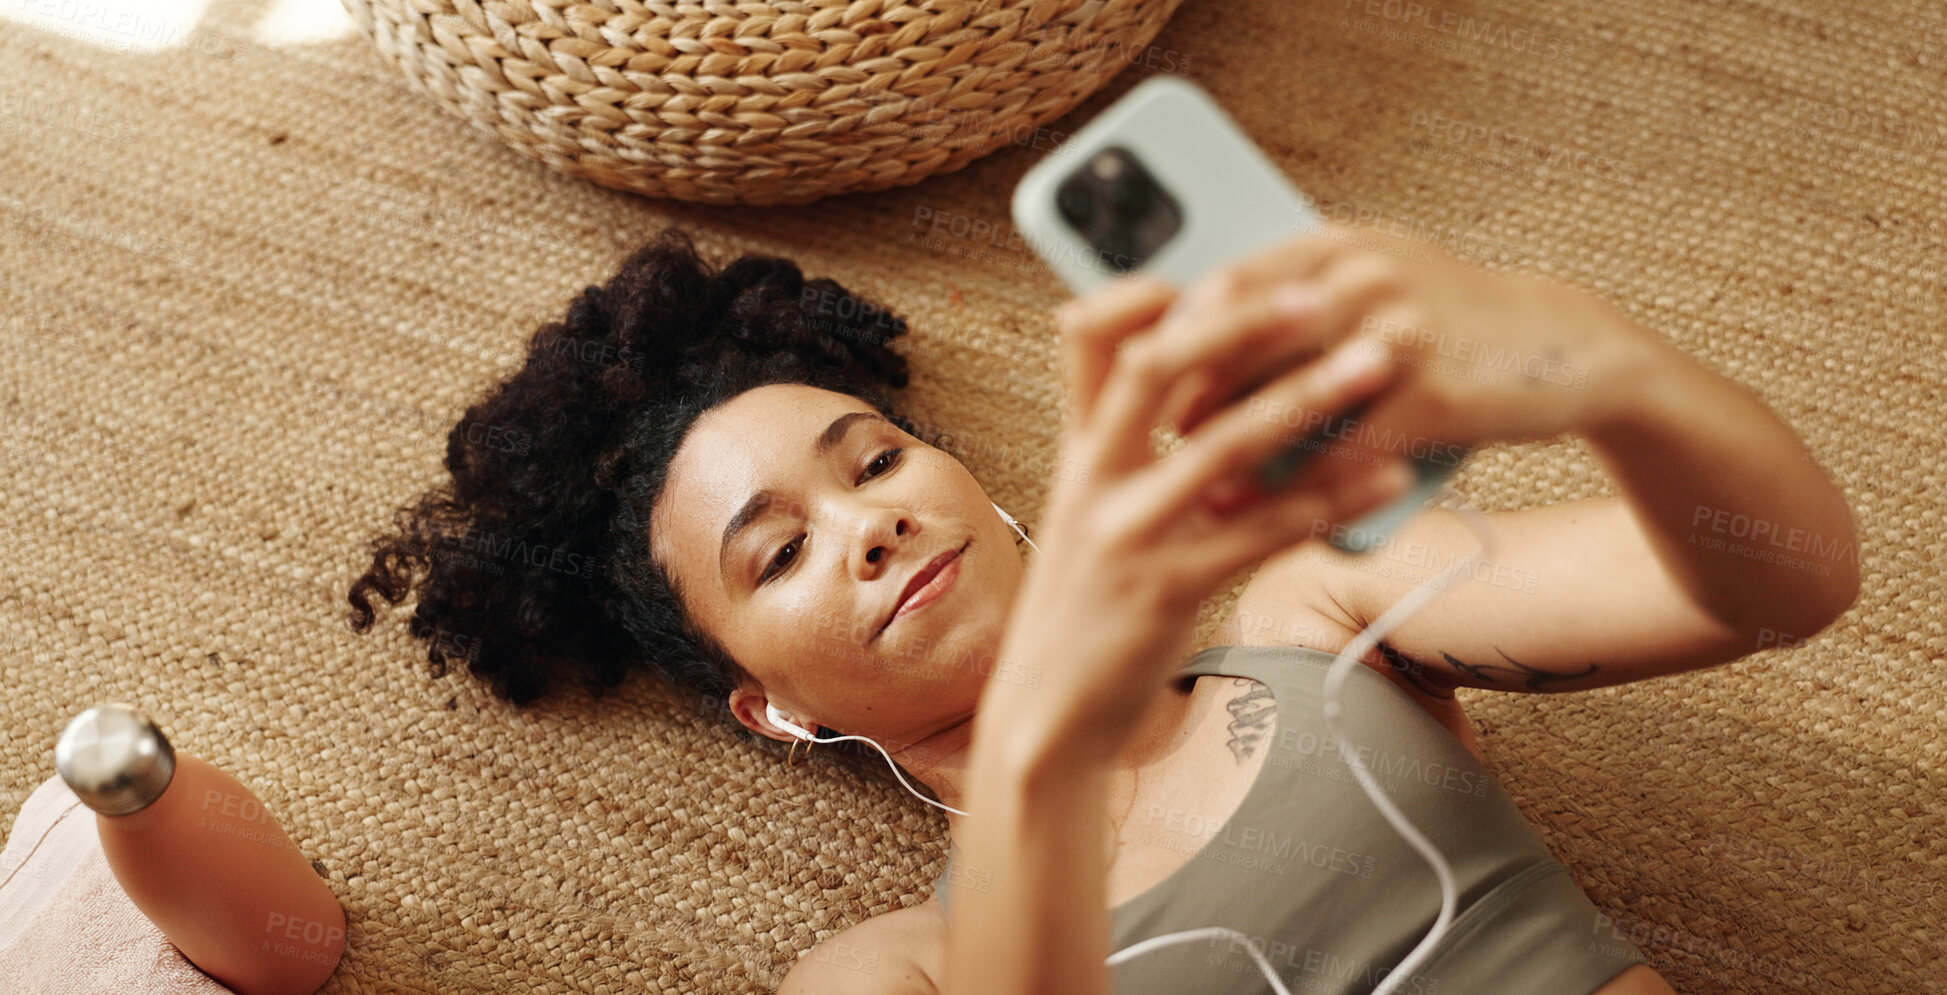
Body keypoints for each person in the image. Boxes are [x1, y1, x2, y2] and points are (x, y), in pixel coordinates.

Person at [346, 223, 1859, 995]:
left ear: (978, 492)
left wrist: (1608, 373)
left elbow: (1778, 585)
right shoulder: (892, 970)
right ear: (774, 709)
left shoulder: (1320, 608)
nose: (868, 524)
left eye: (873, 462)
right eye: (780, 555)